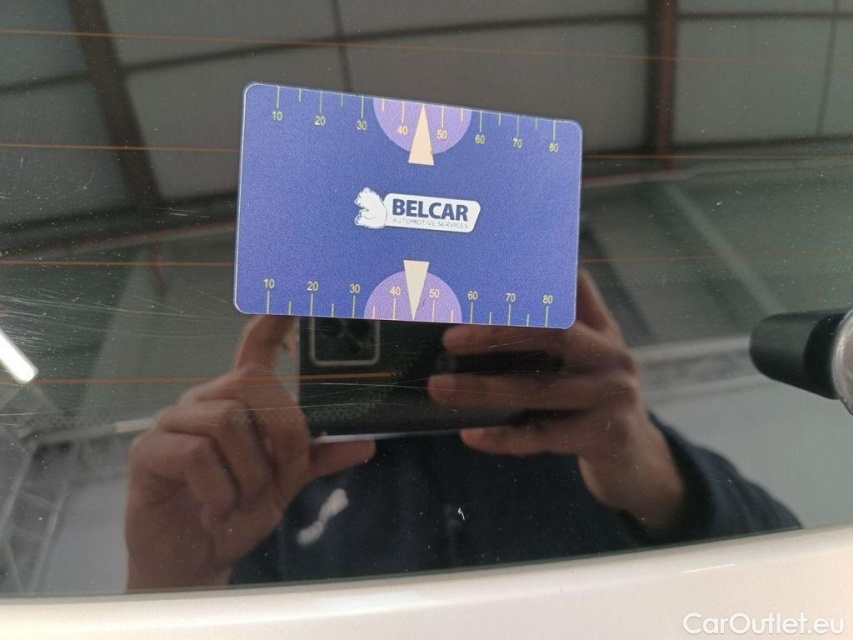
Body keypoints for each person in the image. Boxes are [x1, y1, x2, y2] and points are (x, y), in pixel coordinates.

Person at [125, 272, 799, 590]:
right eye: (355, 297)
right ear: (296, 331)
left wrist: (653, 477)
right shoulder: (266, 497)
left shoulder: (586, 436)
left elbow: (797, 586)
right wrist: (171, 582)